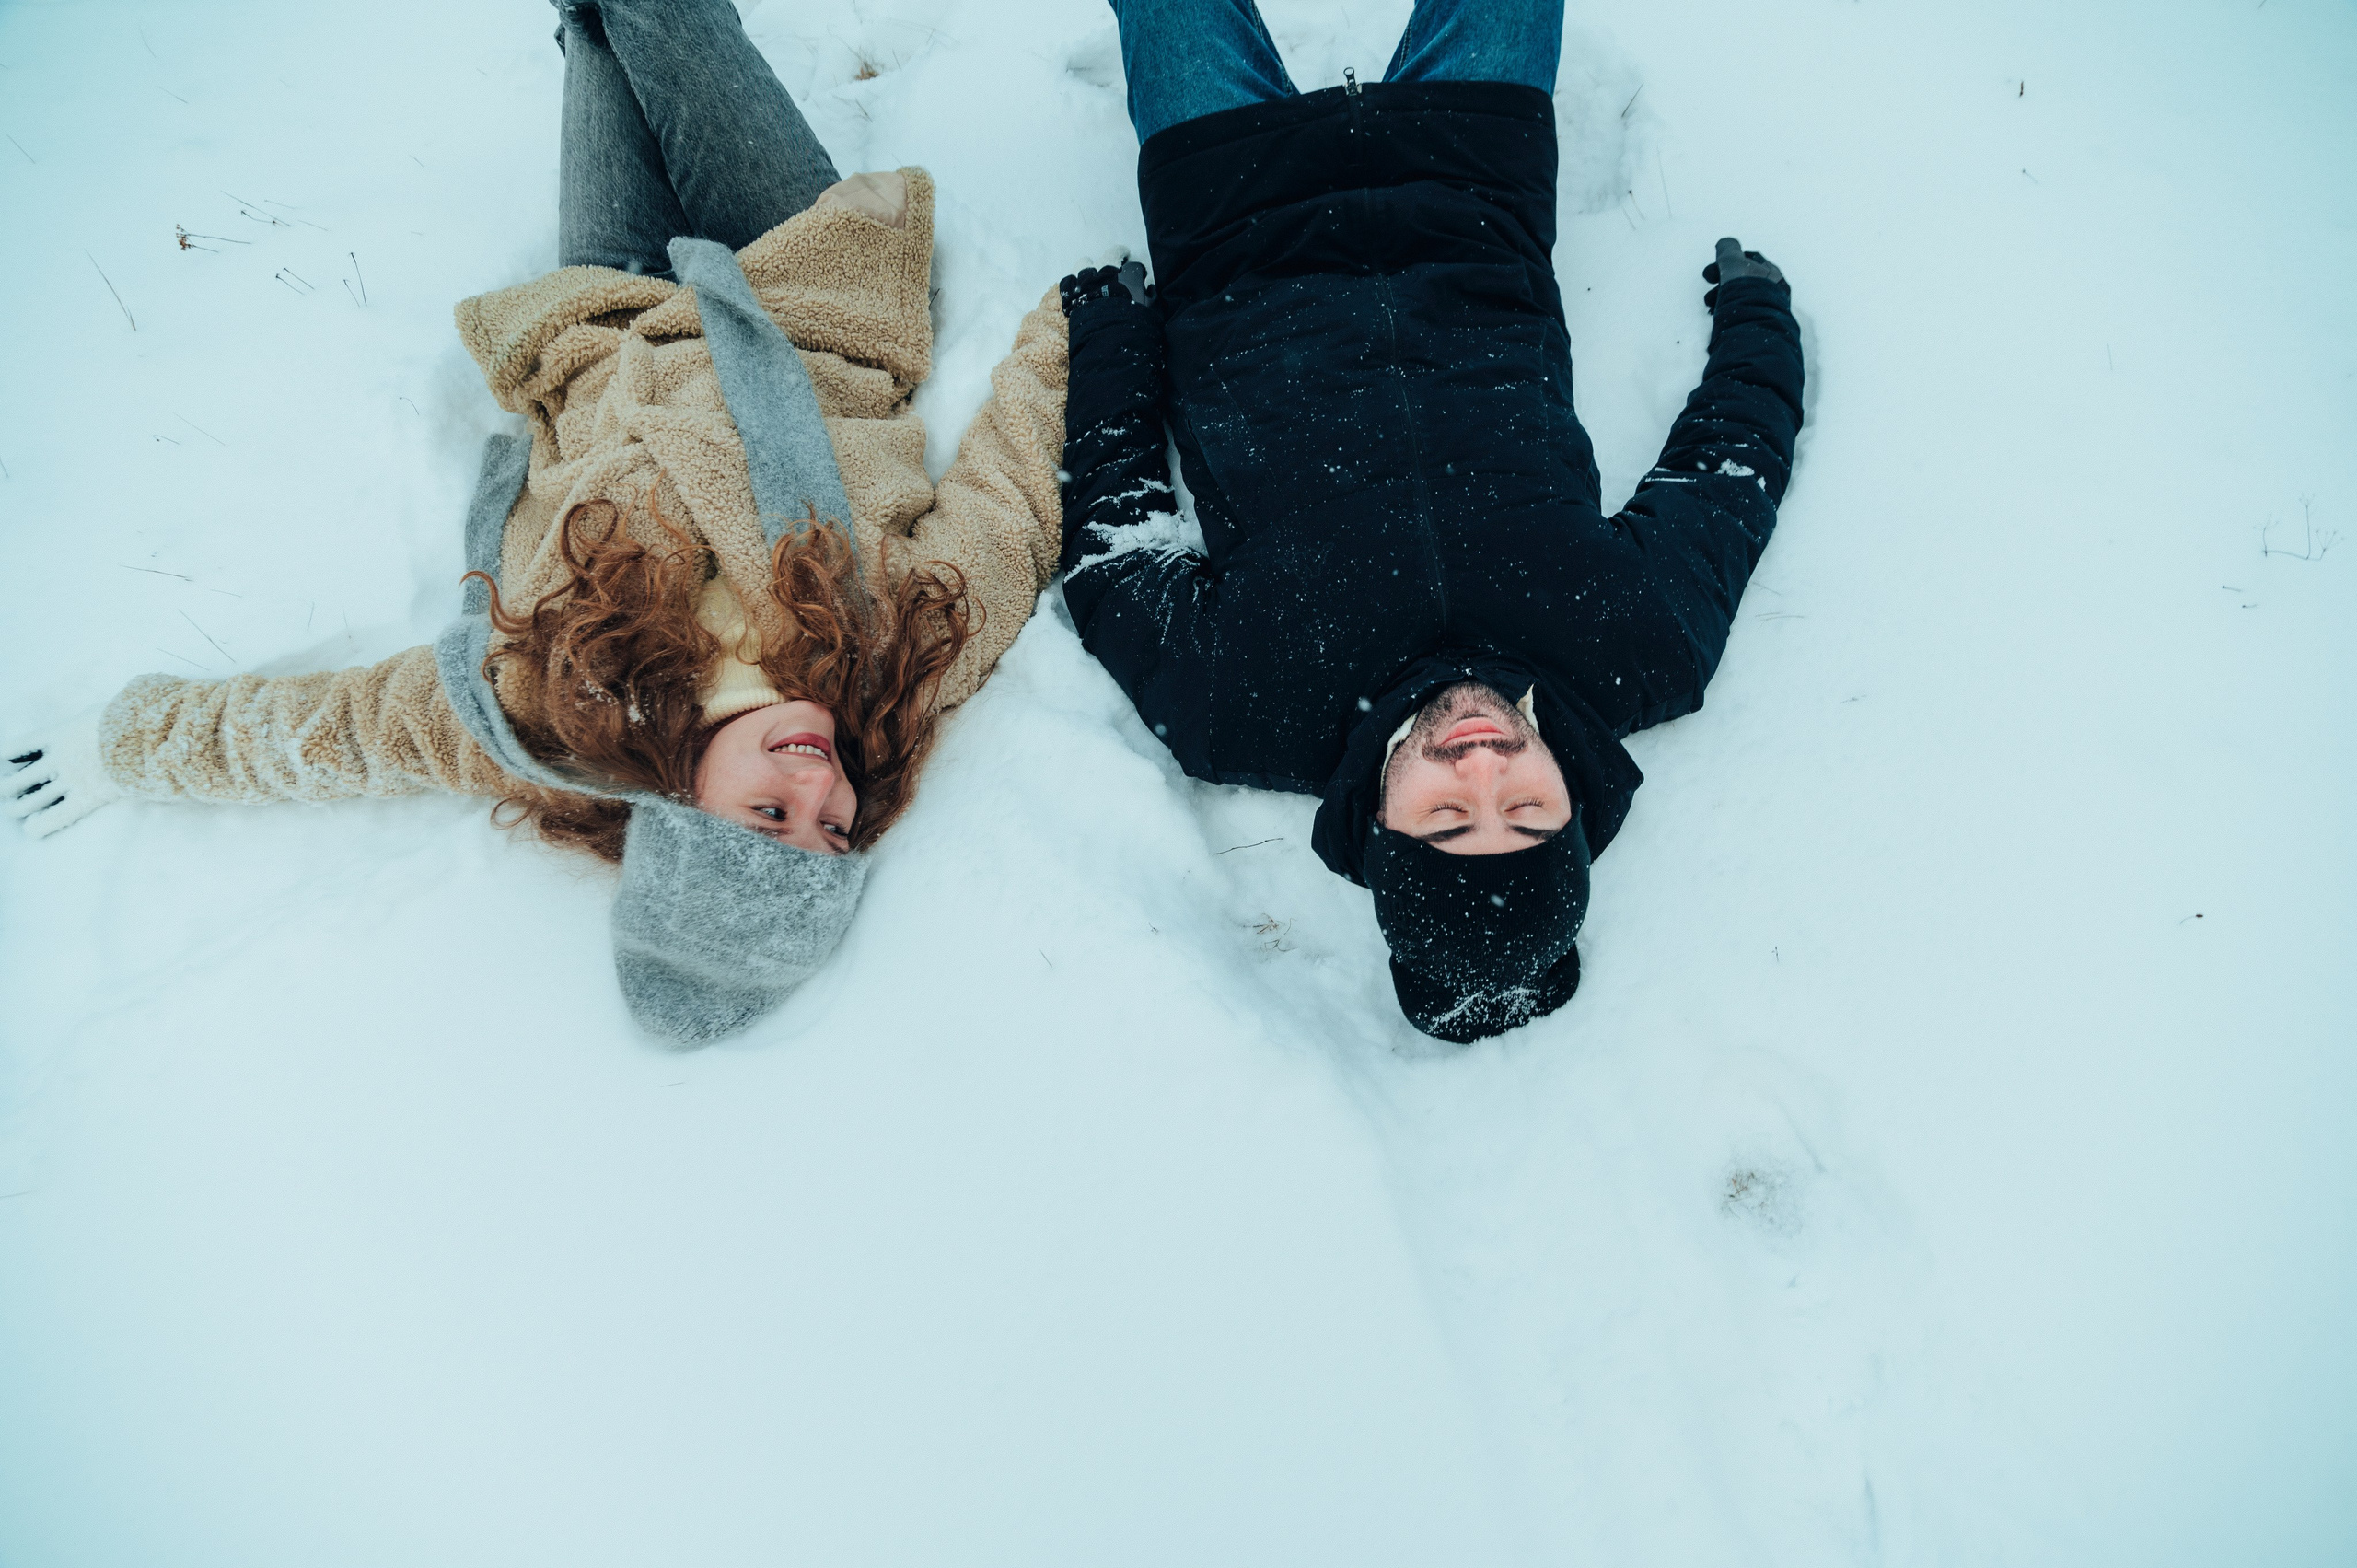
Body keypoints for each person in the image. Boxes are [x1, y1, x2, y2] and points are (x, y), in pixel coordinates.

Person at [3, 0, 1070, 1042]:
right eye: (833, 827)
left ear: (678, 807)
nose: (818, 781)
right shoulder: (898, 658)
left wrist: (125, 746)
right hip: (806, 287)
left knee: (592, 28)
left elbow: (330, 731)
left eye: (768, 815)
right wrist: (1081, 323)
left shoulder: (545, 707)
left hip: (598, 319)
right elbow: (1009, 500)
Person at [1056, 0, 1805, 1041]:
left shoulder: (1242, 707)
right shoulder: (1641, 649)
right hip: (1469, 186)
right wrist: (1760, 320)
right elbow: (1729, 474)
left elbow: (1110, 544)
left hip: (1231, 216)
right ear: (1574, 804)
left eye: (1447, 820)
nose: (1483, 764)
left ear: (1381, 824)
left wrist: (1109, 341)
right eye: (1529, 811)